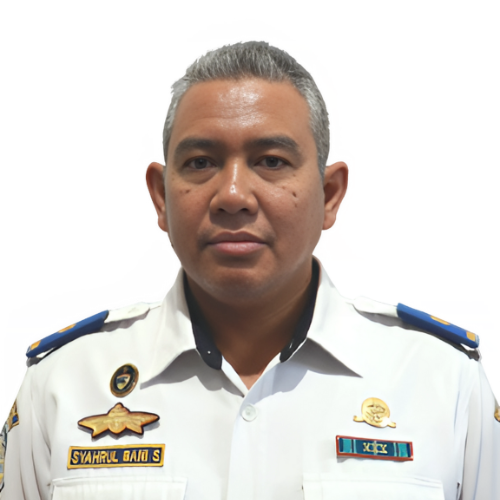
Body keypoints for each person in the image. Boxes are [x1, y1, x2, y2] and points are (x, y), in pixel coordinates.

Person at [1, 39, 498, 500]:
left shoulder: (442, 379)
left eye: (271, 161)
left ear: (331, 196)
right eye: (200, 162)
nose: (233, 195)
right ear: (160, 197)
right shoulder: (63, 382)